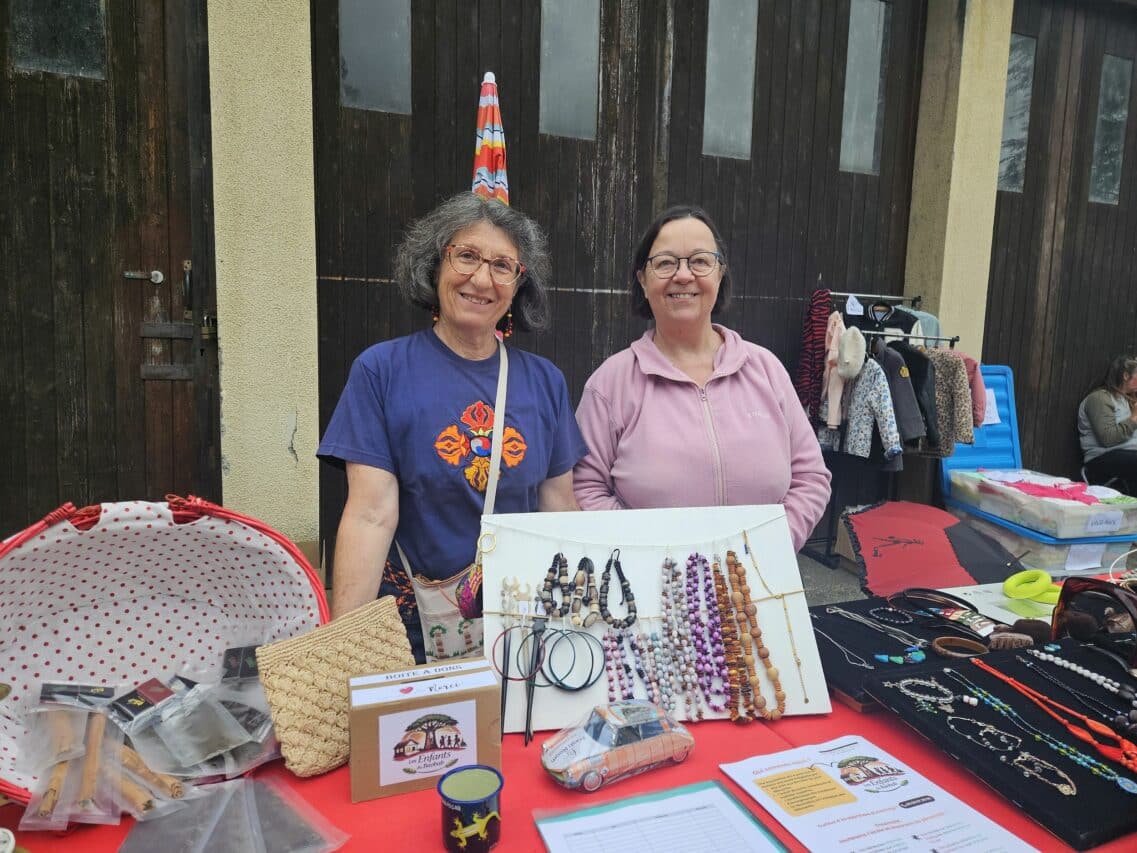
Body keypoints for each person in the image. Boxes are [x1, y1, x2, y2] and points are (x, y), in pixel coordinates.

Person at [318, 192, 587, 660]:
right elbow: (370, 515)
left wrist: (581, 620)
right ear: (434, 264)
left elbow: (558, 507)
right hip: (411, 631)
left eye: (503, 266)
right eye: (466, 256)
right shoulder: (381, 371)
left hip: (520, 630)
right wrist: (347, 644)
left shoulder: (545, 382)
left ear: (519, 283)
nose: (482, 279)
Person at [573, 205, 831, 550]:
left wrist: (772, 547)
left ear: (720, 273)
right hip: (654, 590)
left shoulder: (765, 369)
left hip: (758, 584)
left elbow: (810, 477)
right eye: (665, 262)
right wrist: (648, 555)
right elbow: (585, 487)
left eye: (700, 261)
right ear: (642, 280)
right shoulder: (611, 384)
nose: (683, 275)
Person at [1078, 354, 1137, 493]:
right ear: (1126, 376)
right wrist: (1134, 418)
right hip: (1101, 461)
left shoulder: (1128, 401)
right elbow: (1108, 438)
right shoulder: (1099, 399)